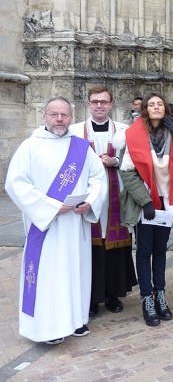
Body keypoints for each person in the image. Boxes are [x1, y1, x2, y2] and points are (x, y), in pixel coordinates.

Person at [6, 97, 106, 344]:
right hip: (46, 227)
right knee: (49, 276)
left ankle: (75, 320)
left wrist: (90, 201)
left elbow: (98, 177)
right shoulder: (30, 146)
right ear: (45, 116)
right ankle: (48, 328)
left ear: (71, 117)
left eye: (64, 115)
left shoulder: (81, 147)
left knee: (74, 272)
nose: (59, 119)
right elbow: (16, 183)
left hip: (75, 224)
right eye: (54, 114)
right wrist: (50, 206)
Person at [119, 92, 173, 326]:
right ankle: (146, 299)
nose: (156, 107)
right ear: (145, 109)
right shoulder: (133, 135)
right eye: (151, 104)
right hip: (145, 201)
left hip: (167, 200)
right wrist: (145, 201)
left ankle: (160, 294)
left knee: (161, 250)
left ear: (165, 109)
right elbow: (127, 172)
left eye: (160, 104)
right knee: (144, 251)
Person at [69, 86, 136, 318]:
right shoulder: (75, 131)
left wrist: (114, 161)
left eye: (104, 102)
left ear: (111, 104)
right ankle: (90, 297)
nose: (99, 105)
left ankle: (112, 295)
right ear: (89, 104)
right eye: (95, 101)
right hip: (88, 198)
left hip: (116, 197)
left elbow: (134, 159)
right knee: (90, 249)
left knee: (114, 248)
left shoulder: (124, 130)